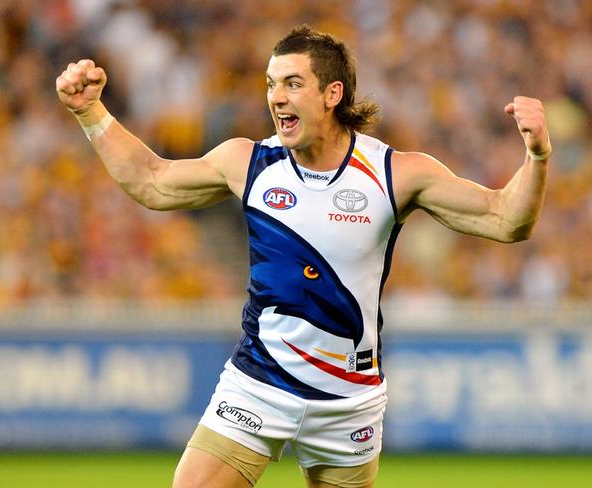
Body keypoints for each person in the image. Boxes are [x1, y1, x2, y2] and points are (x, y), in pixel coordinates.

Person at [56, 25, 550, 488]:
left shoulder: (395, 173)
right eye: (272, 83)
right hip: (259, 381)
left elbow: (507, 221)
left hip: (348, 400)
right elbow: (153, 183)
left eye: (292, 83)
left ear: (332, 94)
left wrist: (537, 158)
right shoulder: (248, 162)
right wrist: (91, 113)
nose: (276, 96)